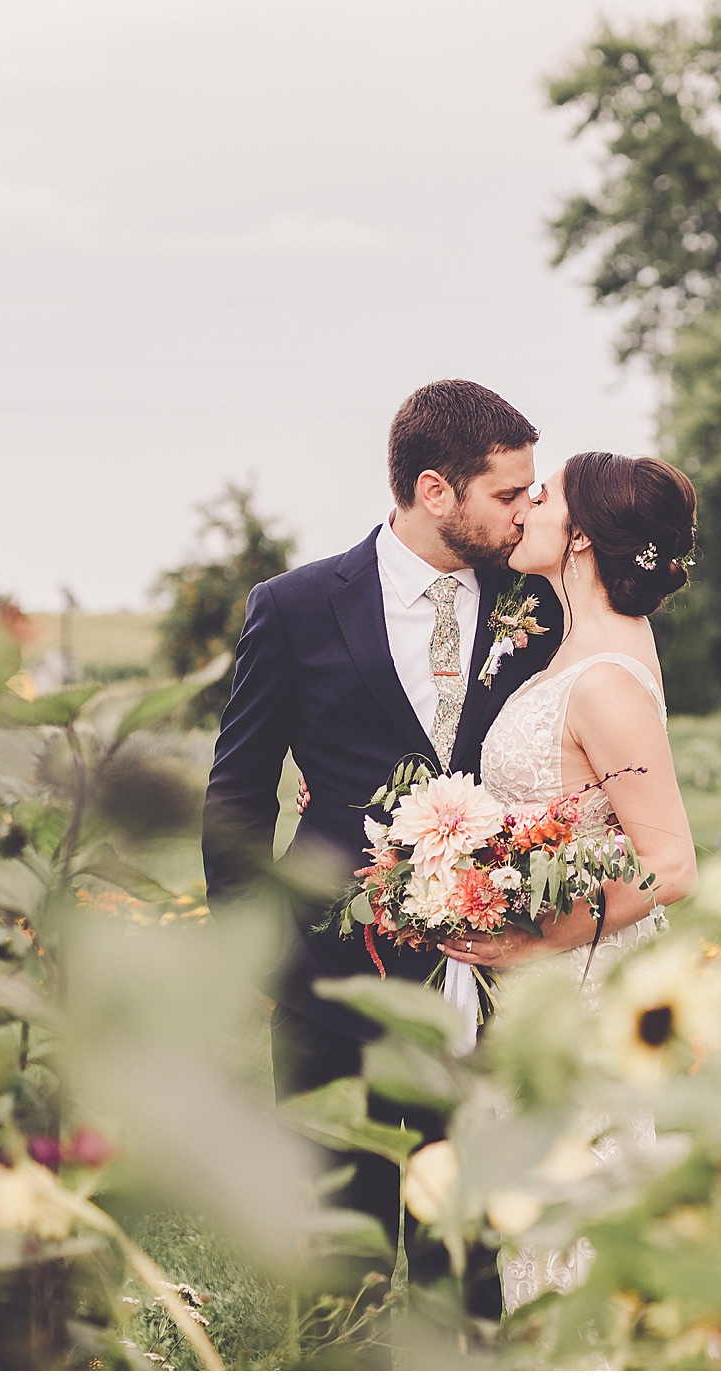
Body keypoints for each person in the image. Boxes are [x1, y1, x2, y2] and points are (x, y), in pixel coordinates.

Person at [200, 379, 561, 1304]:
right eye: (508, 495)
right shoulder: (295, 606)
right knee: (339, 1265)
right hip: (331, 978)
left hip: (488, 980)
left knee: (472, 1262)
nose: (527, 511)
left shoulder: (537, 607)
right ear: (435, 490)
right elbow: (239, 790)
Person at [439, 450, 700, 1311]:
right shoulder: (579, 646)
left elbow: (670, 863)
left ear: (581, 535)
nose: (525, 507)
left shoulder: (608, 678)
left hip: (580, 975)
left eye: (542, 496)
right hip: (549, 974)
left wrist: (529, 940)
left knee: (577, 1213)